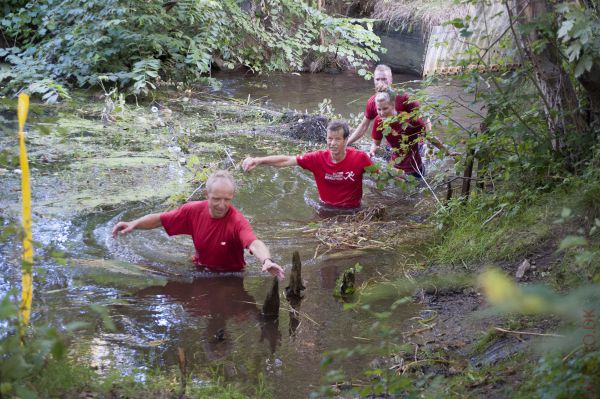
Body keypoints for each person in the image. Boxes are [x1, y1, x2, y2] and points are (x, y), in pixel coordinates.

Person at [111, 170, 284, 280]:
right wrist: (134, 223)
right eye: (216, 199)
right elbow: (161, 219)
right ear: (206, 194)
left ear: (233, 197)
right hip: (199, 268)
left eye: (227, 200)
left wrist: (267, 260)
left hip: (231, 275)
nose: (222, 205)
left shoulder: (236, 221)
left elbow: (253, 242)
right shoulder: (192, 211)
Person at [242, 120, 373, 209]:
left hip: (353, 211)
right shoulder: (317, 158)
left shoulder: (360, 158)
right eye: (330, 138)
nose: (332, 143)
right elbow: (287, 160)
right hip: (325, 209)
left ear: (346, 140)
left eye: (337, 139)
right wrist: (259, 160)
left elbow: (382, 177)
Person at [347, 64, 426, 146]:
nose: (380, 83)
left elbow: (424, 119)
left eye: (384, 79)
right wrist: (346, 143)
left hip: (415, 143)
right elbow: (363, 126)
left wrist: (426, 145)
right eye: (377, 79)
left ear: (391, 80)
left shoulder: (405, 97)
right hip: (393, 144)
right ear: (374, 81)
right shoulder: (372, 102)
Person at [370, 91, 424, 177]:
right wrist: (372, 150)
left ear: (393, 105)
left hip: (415, 168)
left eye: (385, 108)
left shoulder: (409, 120)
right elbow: (375, 143)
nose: (382, 113)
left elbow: (429, 136)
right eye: (379, 109)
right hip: (395, 168)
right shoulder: (379, 120)